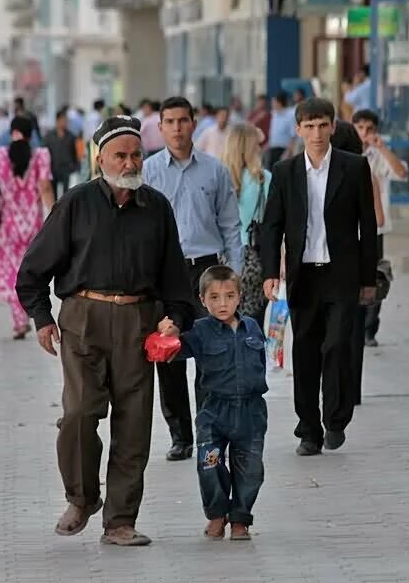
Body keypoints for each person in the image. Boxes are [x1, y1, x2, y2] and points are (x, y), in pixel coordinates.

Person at [15, 115, 194, 547]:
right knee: (78, 415)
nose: (131, 162)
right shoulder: (76, 204)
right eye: (121, 155)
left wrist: (175, 319)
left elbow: (176, 280)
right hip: (83, 320)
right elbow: (32, 271)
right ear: (101, 159)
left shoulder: (157, 208)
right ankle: (81, 497)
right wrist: (42, 318)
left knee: (134, 424)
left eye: (136, 154)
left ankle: (120, 520)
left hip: (139, 323)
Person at [261, 97, 377, 456]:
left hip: (341, 273)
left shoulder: (354, 167)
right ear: (298, 129)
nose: (315, 133)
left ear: (332, 126)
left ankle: (335, 418)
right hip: (303, 275)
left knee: (337, 346)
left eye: (322, 125)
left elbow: (367, 226)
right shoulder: (285, 172)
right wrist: (269, 272)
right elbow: (272, 225)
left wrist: (368, 278)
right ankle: (308, 429)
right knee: (306, 350)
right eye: (308, 126)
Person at [143, 96, 243, 462]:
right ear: (161, 126)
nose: (177, 128)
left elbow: (231, 225)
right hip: (166, 275)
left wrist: (232, 276)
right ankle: (180, 436)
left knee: (210, 353)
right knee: (169, 354)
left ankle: (208, 431)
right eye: (169, 121)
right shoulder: (150, 172)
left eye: (183, 120)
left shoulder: (214, 171)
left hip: (207, 273)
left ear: (193, 123)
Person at [158, 266, 267, 541]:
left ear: (239, 297)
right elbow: (174, 352)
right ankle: (217, 514)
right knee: (210, 465)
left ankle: (240, 519)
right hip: (214, 411)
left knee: (250, 468)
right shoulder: (199, 330)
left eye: (229, 296)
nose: (223, 303)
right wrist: (167, 336)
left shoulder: (252, 327)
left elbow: (261, 362)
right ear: (202, 300)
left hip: (251, 412)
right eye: (214, 297)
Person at [330, 120, 385, 406]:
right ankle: (351, 390)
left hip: (345, 261)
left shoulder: (354, 174)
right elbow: (375, 223)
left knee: (341, 330)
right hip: (359, 257)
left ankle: (339, 389)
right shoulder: (363, 172)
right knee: (353, 329)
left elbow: (376, 219)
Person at [0, 116, 55, 339]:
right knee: (30, 270)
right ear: (31, 132)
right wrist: (54, 216)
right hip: (33, 223)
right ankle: (31, 314)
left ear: (11, 131)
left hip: (9, 224)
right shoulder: (41, 156)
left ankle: (18, 322)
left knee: (12, 271)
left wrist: (7, 192)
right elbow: (45, 186)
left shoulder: (0, 156)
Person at [351, 109, 408, 347]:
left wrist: (382, 147)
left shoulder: (377, 156)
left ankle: (369, 329)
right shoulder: (346, 153)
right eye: (360, 127)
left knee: (376, 278)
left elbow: (402, 173)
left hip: (375, 229)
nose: (364, 133)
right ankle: (354, 323)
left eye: (369, 128)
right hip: (351, 229)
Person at [222, 123, 271, 325]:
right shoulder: (263, 179)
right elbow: (274, 221)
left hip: (223, 258)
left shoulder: (220, 178)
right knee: (253, 324)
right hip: (254, 257)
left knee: (224, 321)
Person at [43, 108, 80, 200]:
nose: (65, 122)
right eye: (63, 120)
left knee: (66, 193)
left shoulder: (71, 136)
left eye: (66, 121)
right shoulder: (49, 136)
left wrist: (76, 166)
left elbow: (75, 152)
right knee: (54, 192)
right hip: (53, 167)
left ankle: (65, 210)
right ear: (57, 121)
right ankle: (56, 210)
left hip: (67, 168)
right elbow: (45, 153)